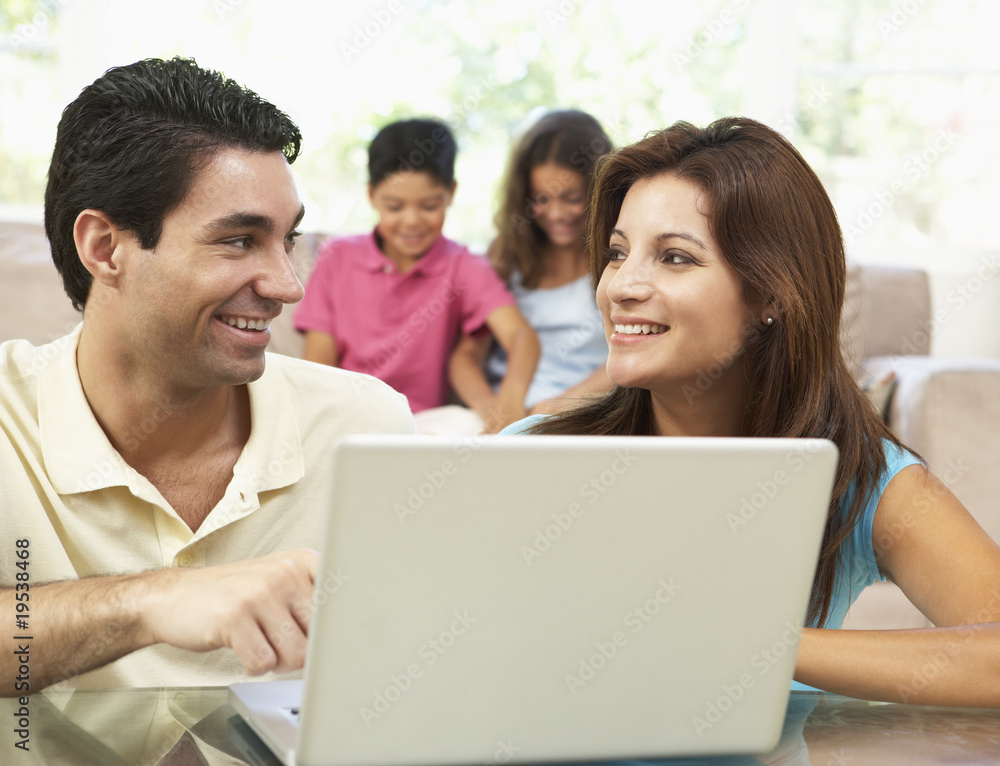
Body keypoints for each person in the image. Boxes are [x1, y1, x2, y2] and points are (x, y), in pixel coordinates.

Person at [503, 117, 1000, 707]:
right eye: (618, 252)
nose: (621, 287)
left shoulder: (859, 478)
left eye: (675, 258)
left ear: (770, 294)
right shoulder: (532, 454)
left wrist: (756, 644)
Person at [0, 57, 415, 695]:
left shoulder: (364, 428)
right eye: (240, 240)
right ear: (105, 248)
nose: (288, 286)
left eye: (287, 239)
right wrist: (149, 601)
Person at [294, 118, 539, 434]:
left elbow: (521, 337)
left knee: (466, 426)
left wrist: (509, 401)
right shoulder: (337, 257)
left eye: (429, 206)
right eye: (394, 207)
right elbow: (319, 371)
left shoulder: (464, 266)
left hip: (425, 423)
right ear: (371, 195)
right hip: (350, 418)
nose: (411, 221)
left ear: (451, 193)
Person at [449, 110, 614, 420]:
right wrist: (492, 410)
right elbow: (465, 357)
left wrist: (557, 408)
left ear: (598, 191)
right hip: (505, 414)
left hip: (584, 412)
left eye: (571, 197)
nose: (556, 213)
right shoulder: (505, 258)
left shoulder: (620, 256)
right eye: (541, 199)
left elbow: (632, 360)